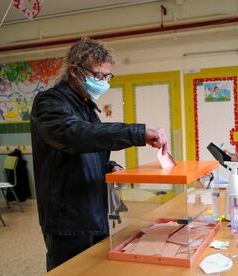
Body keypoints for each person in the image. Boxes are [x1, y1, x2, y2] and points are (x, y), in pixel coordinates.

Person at [30, 38, 169, 271]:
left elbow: (90, 147)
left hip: (94, 212)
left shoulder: (87, 106)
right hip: (67, 219)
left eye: (107, 77)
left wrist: (109, 166)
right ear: (75, 71)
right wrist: (136, 132)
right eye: (98, 76)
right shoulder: (49, 102)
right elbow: (73, 136)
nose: (103, 83)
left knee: (97, 270)